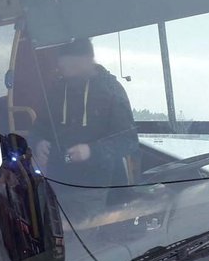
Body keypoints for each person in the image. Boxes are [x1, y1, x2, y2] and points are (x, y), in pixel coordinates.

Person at [33, 38, 140, 187]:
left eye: (74, 66)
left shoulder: (111, 90)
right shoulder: (56, 91)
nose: (69, 73)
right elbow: (39, 127)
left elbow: (128, 140)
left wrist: (91, 151)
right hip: (57, 183)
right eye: (64, 68)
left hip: (102, 186)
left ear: (89, 60)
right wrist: (39, 142)